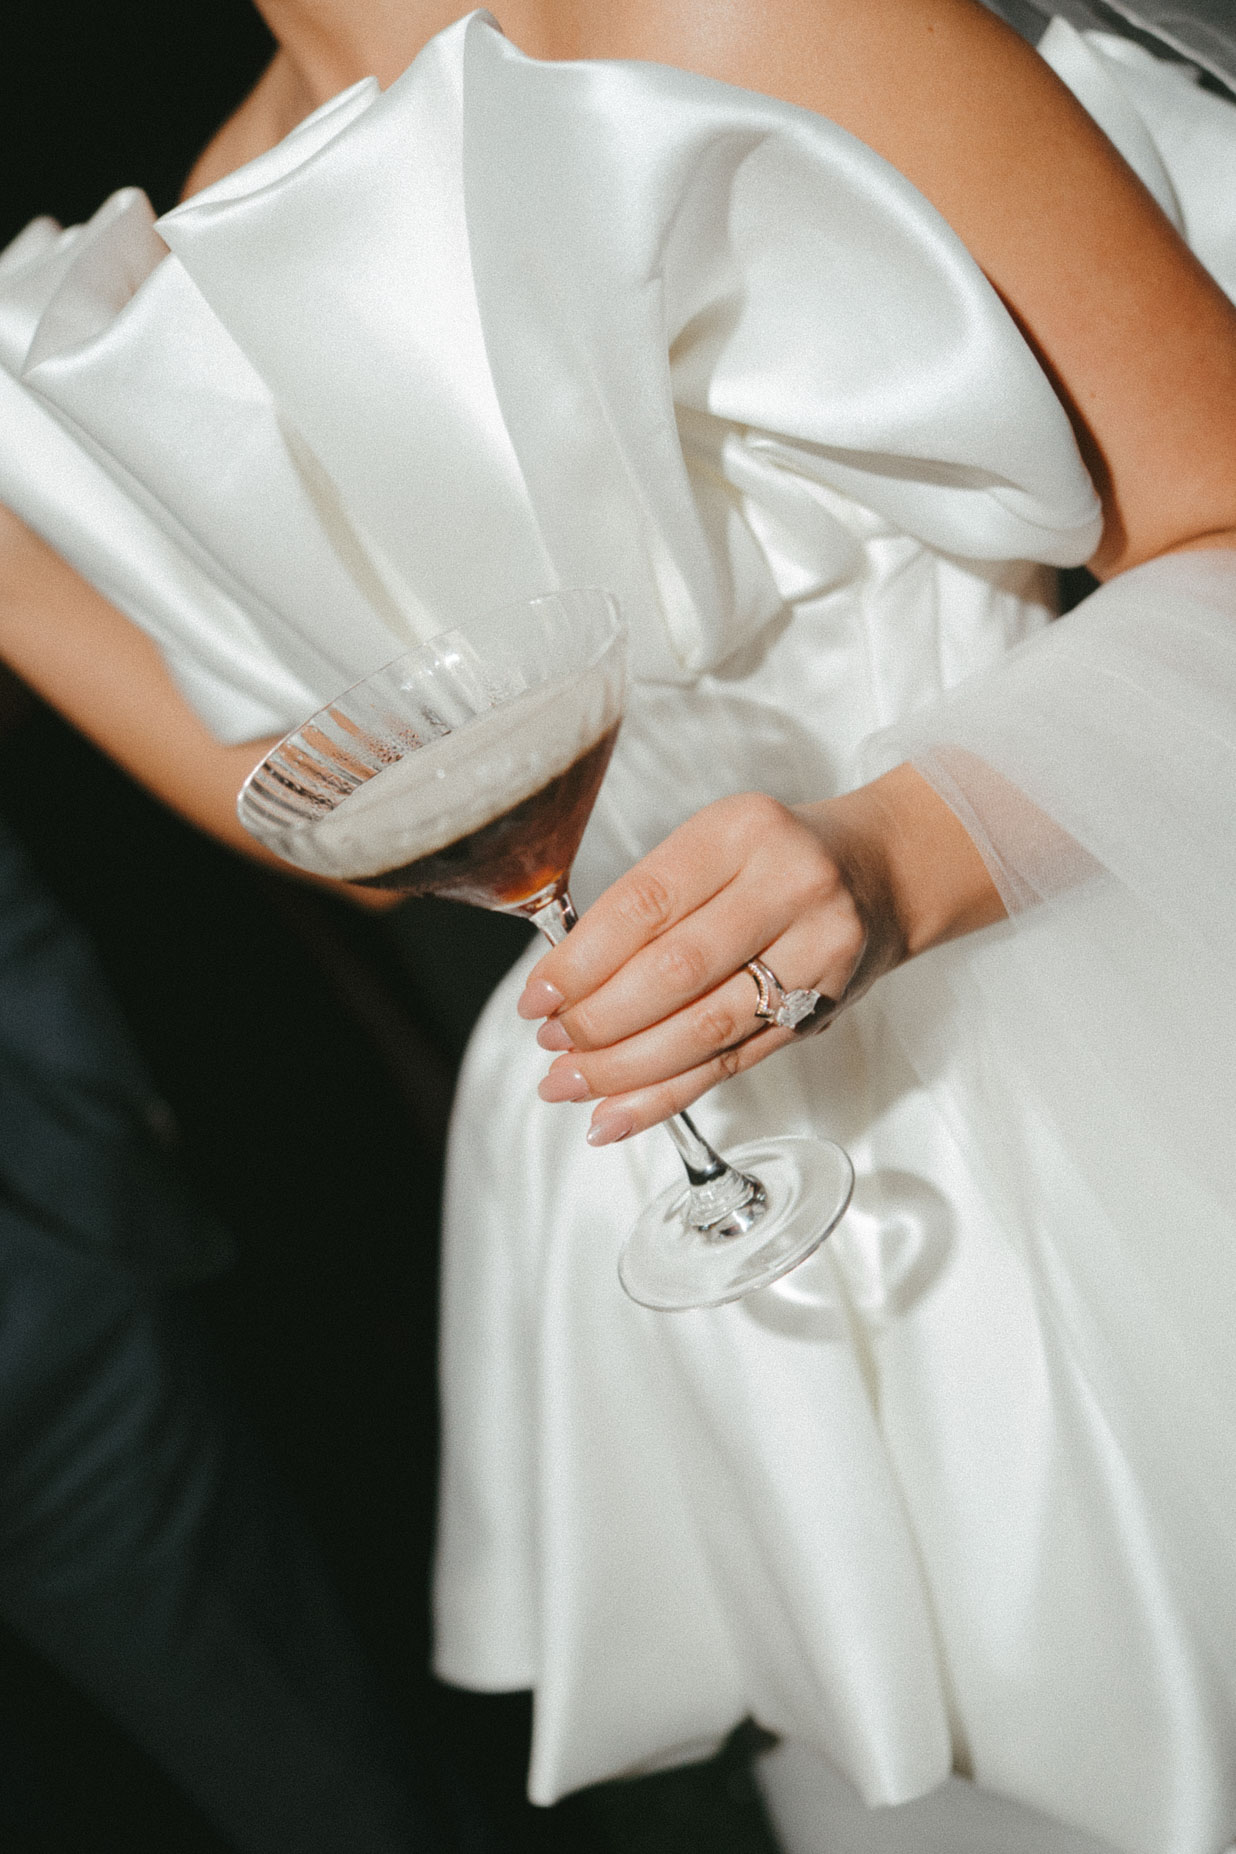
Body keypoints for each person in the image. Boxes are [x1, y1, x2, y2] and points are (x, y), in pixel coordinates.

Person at [0, 2, 1234, 1850]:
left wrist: (903, 850)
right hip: (695, 1182)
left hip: (1096, 1030)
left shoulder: (724, 16)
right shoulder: (207, 221)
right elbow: (362, 814)